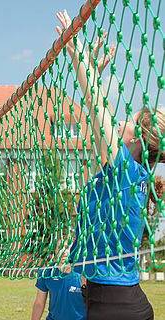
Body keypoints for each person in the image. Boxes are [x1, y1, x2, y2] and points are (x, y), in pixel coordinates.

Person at [55, 9, 165, 320]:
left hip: (114, 306)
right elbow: (96, 119)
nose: (120, 120)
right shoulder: (128, 174)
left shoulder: (125, 171)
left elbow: (95, 106)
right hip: (117, 301)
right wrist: (93, 70)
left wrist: (74, 51)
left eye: (128, 119)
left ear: (138, 140)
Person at [31, 239, 86, 320]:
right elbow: (39, 303)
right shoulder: (46, 272)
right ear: (55, 251)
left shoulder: (83, 273)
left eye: (67, 247)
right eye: (60, 247)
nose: (63, 251)